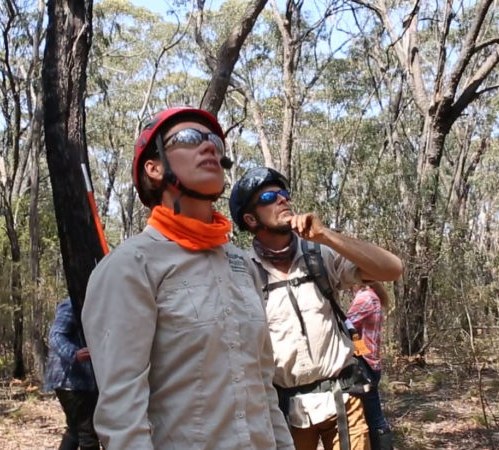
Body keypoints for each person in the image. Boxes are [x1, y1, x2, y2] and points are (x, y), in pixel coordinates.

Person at [81, 107, 294, 449]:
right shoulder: (131, 266)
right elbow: (122, 415)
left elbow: (263, 389)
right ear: (154, 168)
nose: (209, 147)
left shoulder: (242, 265)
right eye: (188, 139)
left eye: (214, 141)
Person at [229, 167, 403, 450]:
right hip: (284, 410)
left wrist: (325, 235)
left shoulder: (318, 254)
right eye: (270, 196)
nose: (282, 200)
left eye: (284, 194)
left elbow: (392, 269)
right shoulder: (242, 270)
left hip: (343, 400)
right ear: (250, 219)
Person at [44, 298, 100, 450]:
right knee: (87, 433)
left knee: (75, 430)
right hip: (70, 379)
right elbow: (56, 336)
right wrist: (74, 354)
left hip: (81, 381)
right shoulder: (72, 304)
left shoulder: (96, 304)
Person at [347, 283, 394, 450]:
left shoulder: (365, 297)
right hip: (368, 363)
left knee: (373, 419)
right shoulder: (370, 295)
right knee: (370, 417)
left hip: (364, 365)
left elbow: (344, 326)